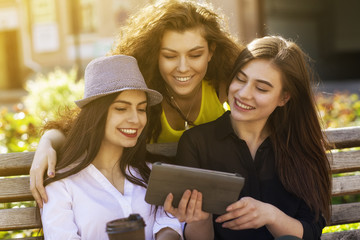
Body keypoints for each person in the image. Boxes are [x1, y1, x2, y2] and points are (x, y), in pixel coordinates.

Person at [30, 0, 242, 207]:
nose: (183, 67)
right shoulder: (141, 92)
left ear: (211, 51)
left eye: (195, 54)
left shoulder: (224, 85)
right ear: (154, 54)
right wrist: (47, 142)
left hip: (212, 201)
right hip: (156, 204)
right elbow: (88, 122)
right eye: (170, 56)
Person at [164, 36, 332, 240]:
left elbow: (311, 232)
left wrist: (270, 216)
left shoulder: (299, 147)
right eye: (240, 79)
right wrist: (200, 217)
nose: (243, 94)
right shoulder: (197, 143)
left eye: (261, 88)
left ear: (283, 97)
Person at [40, 55, 183, 240]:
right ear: (97, 114)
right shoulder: (62, 184)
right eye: (121, 108)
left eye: (141, 109)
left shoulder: (151, 173)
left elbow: (168, 224)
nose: (136, 119)